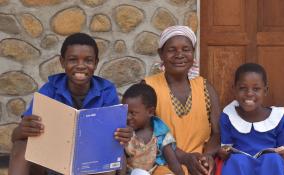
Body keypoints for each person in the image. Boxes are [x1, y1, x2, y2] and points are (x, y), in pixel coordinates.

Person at [8, 33, 132, 175]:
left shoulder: (106, 91)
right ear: (62, 62)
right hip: (54, 162)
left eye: (88, 60)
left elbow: (116, 136)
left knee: (119, 156)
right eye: (73, 60)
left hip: (91, 163)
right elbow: (15, 137)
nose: (81, 66)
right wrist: (23, 130)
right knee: (20, 146)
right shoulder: (50, 89)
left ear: (96, 63)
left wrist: (124, 134)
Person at [144, 25, 221, 175]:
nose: (179, 55)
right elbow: (144, 134)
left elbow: (217, 132)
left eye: (186, 49)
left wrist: (207, 156)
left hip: (200, 163)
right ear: (161, 54)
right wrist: (185, 158)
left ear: (193, 52)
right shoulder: (148, 87)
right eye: (172, 50)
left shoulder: (205, 87)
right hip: (163, 164)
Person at [217, 63, 284, 175]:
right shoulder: (228, 116)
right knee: (236, 160)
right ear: (234, 89)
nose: (249, 93)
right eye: (243, 88)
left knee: (273, 159)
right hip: (241, 168)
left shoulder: (278, 119)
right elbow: (226, 147)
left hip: (268, 168)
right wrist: (223, 152)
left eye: (256, 89)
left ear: (265, 90)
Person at [118, 83, 184, 175]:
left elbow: (172, 161)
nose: (128, 117)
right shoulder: (125, 133)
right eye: (125, 112)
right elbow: (120, 158)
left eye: (132, 113)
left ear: (150, 112)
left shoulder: (160, 133)